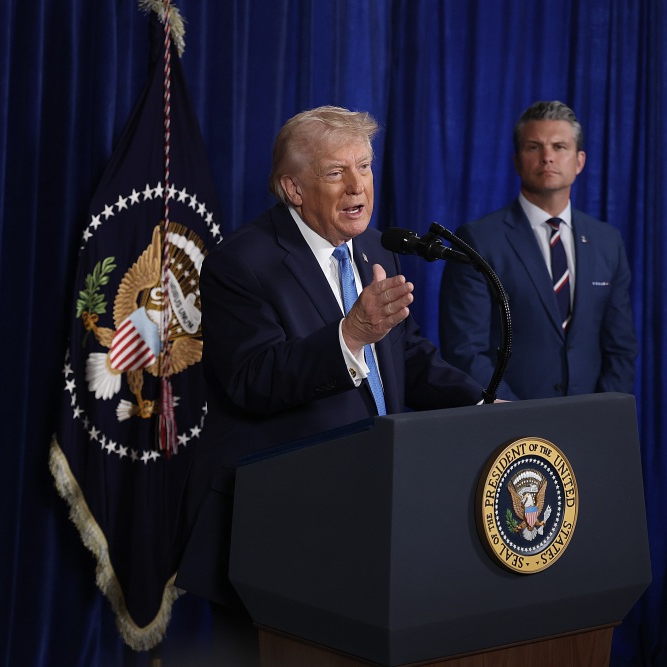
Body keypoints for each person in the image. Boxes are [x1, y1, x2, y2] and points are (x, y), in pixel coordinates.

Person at [174, 106, 484, 663]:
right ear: (293, 187)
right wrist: (352, 333)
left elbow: (405, 357)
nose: (358, 185)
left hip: (368, 516)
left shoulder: (373, 251)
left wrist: (485, 403)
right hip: (274, 532)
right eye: (336, 172)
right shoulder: (239, 263)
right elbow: (253, 379)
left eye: (363, 166)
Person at [439, 101, 636, 400]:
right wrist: (526, 420)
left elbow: (620, 348)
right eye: (534, 147)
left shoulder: (608, 241)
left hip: (590, 425)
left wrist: (599, 415)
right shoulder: (478, 240)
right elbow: (465, 351)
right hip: (510, 429)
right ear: (517, 161)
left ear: (579, 161)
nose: (547, 157)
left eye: (559, 147)